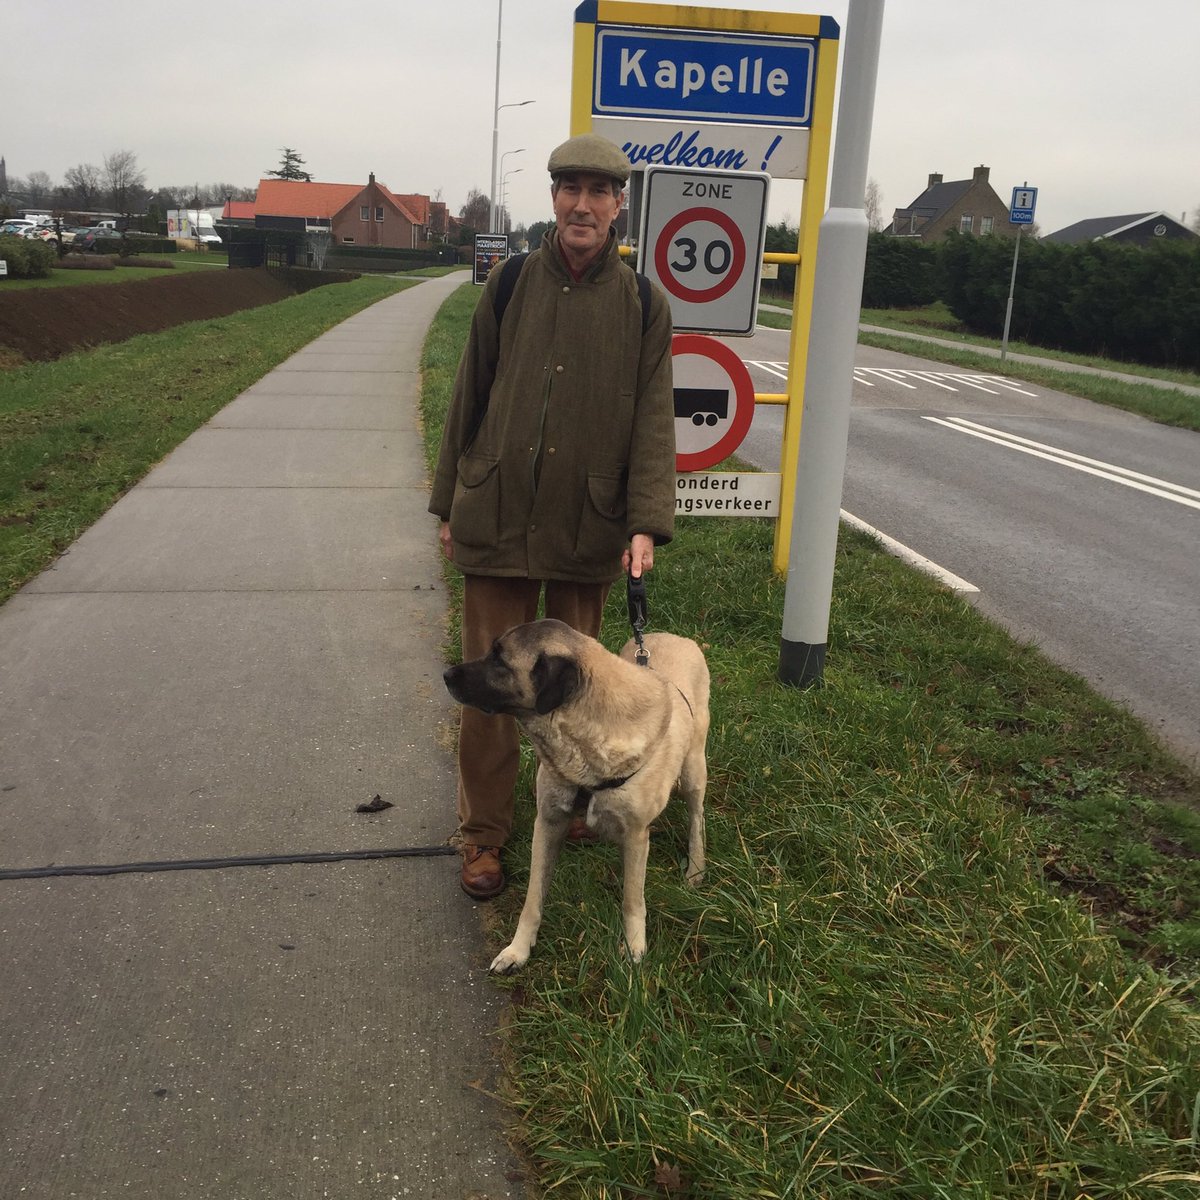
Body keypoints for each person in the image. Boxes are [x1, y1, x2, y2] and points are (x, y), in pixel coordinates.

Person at [428, 132, 677, 899]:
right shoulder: (508, 287)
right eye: (570, 187)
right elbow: (470, 394)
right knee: (493, 693)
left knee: (577, 690)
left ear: (617, 206)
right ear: (553, 198)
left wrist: (644, 522)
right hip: (497, 516)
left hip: (587, 526)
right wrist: (447, 502)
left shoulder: (642, 302)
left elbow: (654, 421)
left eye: (598, 192)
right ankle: (483, 837)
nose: (582, 204)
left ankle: (569, 807)